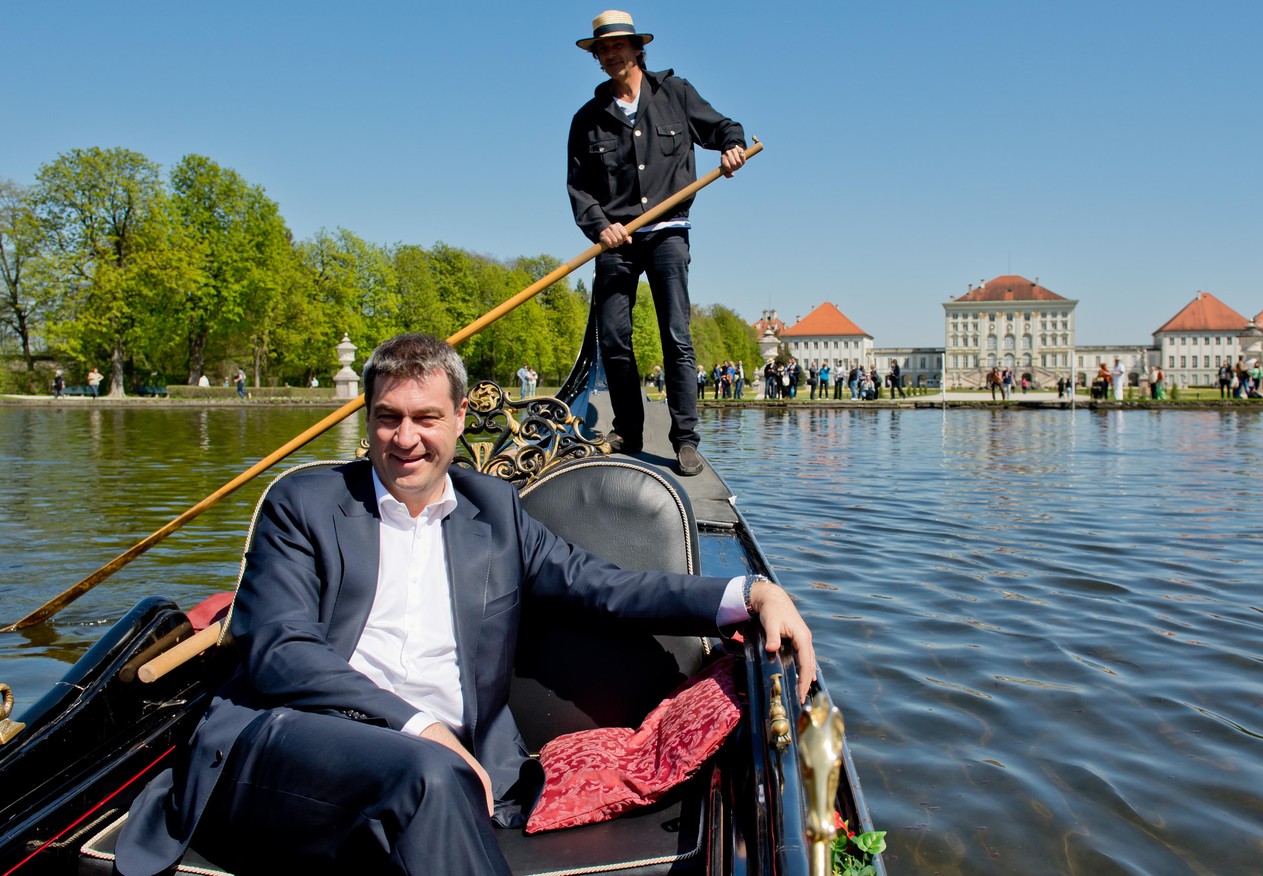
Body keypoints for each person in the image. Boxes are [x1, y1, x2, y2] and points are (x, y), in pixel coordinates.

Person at [116, 333, 817, 876]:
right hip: (290, 745)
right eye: (387, 418)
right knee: (429, 773)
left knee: (432, 777)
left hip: (445, 769)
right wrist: (419, 726)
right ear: (368, 421)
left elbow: (604, 585)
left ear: (459, 418)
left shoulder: (494, 512)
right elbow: (279, 652)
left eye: (425, 417)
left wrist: (749, 593)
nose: (406, 438)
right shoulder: (306, 504)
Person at [567, 10, 747, 477]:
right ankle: (628, 430)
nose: (609, 55)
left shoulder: (675, 93)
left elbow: (722, 127)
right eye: (602, 50)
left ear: (636, 49)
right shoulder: (587, 119)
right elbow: (580, 189)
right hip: (616, 242)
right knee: (614, 340)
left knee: (676, 335)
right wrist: (599, 226)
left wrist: (731, 147)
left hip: (668, 232)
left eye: (616, 47)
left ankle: (684, 440)